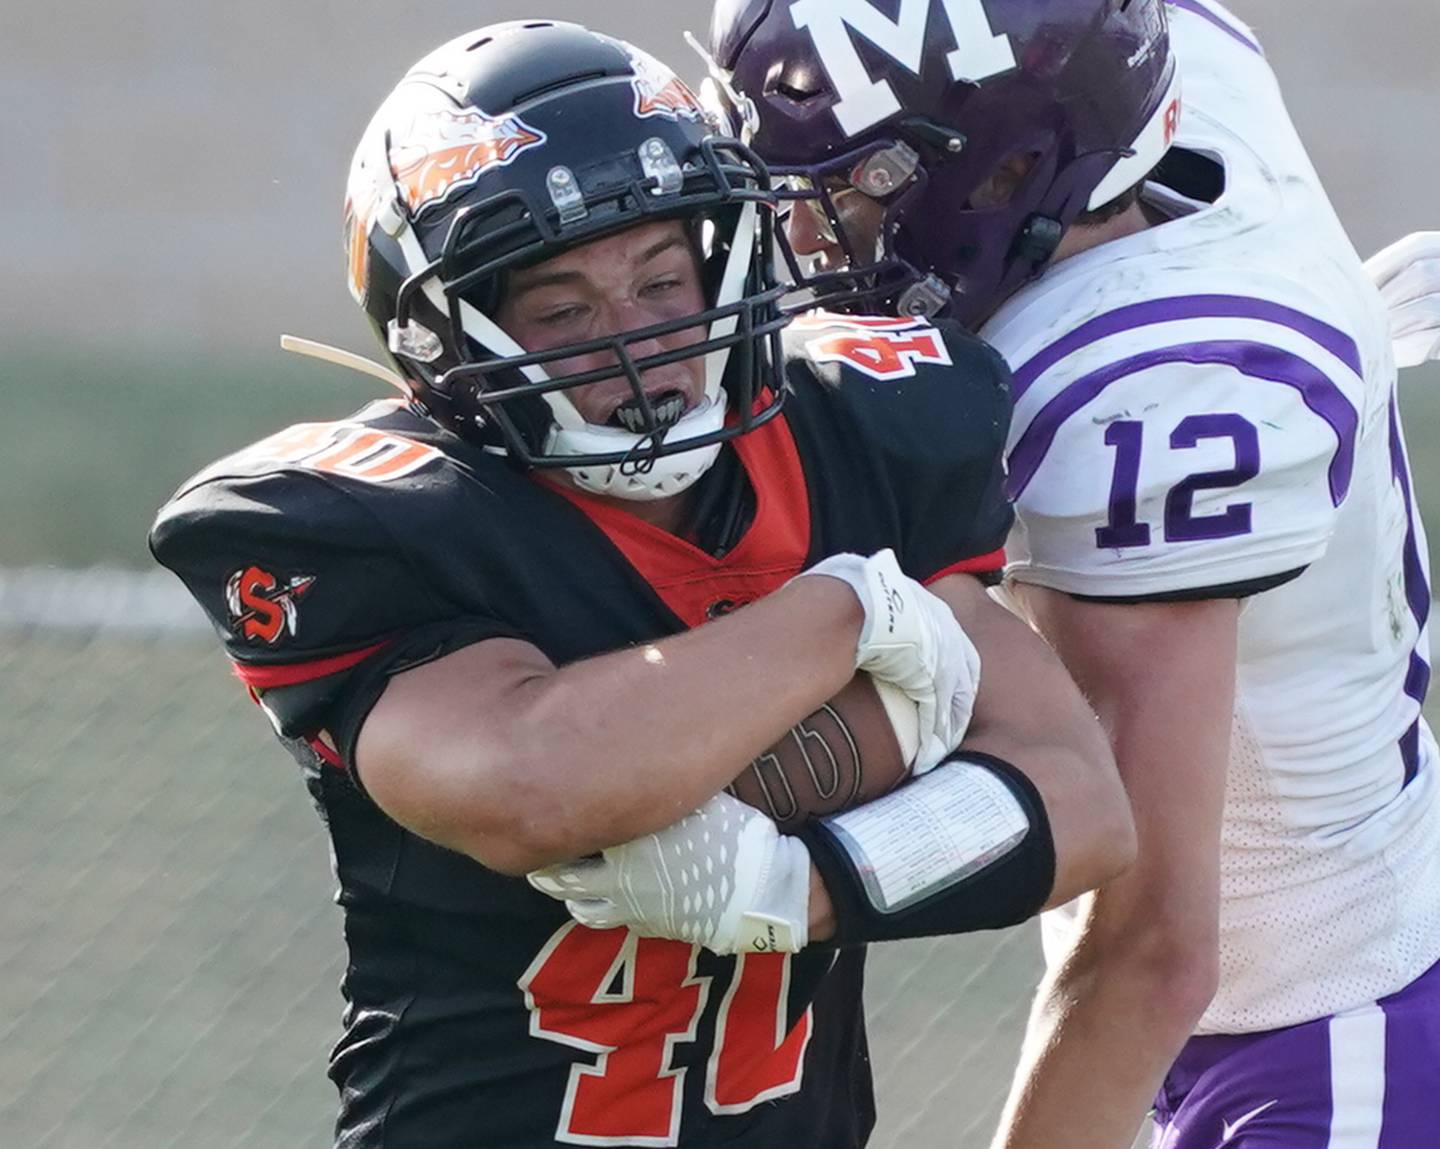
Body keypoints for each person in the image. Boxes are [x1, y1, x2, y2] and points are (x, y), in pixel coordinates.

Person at [149, 21, 1131, 1148]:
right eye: (562, 312)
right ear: (447, 338)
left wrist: (796, 888)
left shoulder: (856, 433)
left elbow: (1082, 803)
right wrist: (852, 612)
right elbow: (539, 782)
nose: (639, 343)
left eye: (664, 279)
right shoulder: (378, 519)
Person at [708, 0, 1440, 1145]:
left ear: (999, 172)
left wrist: (801, 877)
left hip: (1319, 1030)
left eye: (848, 190)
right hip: (1268, 1011)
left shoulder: (1150, 395)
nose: (805, 234)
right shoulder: (1147, 87)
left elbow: (1151, 950)